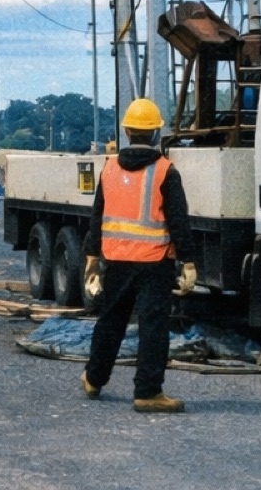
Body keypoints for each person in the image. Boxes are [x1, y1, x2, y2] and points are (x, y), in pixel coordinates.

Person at [80, 97, 197, 415]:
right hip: (154, 262)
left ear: (128, 131)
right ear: (157, 134)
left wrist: (92, 257)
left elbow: (96, 217)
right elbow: (179, 221)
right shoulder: (165, 171)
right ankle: (147, 392)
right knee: (153, 327)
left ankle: (93, 378)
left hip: (116, 259)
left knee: (110, 322)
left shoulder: (109, 169)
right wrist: (187, 261)